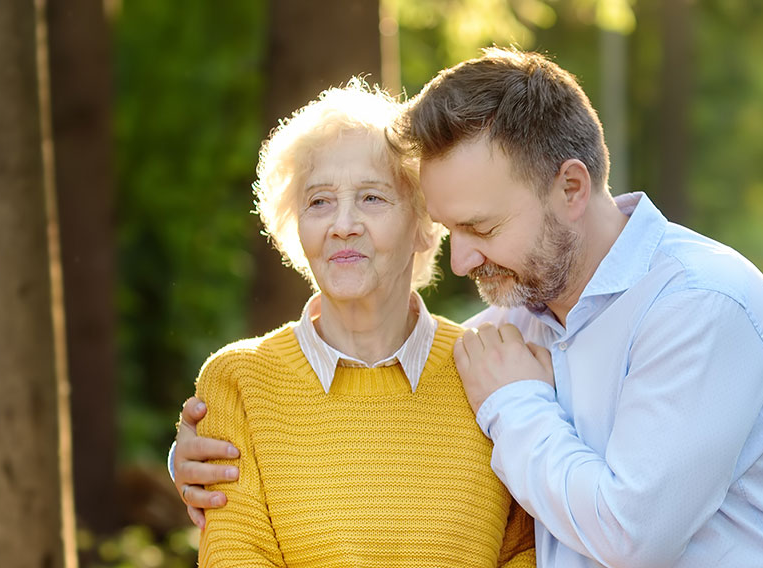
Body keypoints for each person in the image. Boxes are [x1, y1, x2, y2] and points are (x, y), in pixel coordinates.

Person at [175, 49, 763, 567]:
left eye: (481, 230)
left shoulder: (699, 306)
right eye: (452, 231)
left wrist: (518, 406)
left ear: (571, 187)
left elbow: (633, 538)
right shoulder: (508, 330)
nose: (459, 263)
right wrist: (199, 458)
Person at [177, 78, 535, 567]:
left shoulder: (490, 368)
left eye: (372, 198)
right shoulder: (239, 382)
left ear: (425, 226)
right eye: (319, 201)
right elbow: (237, 556)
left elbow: (528, 552)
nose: (342, 223)